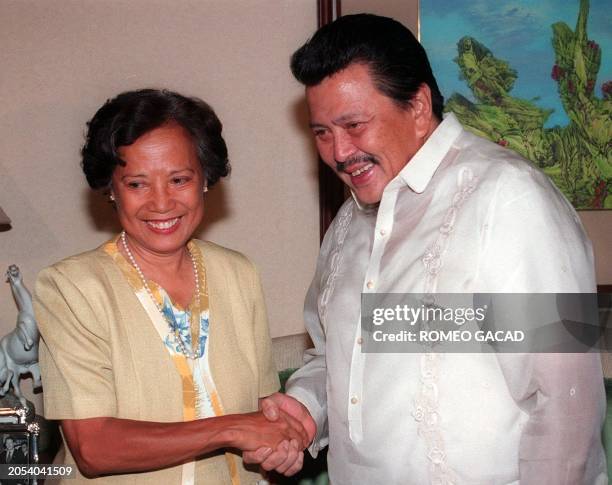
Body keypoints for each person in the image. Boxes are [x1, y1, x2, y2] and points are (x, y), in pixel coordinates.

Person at [246, 14, 607, 484]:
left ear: (417, 106)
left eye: (354, 125)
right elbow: (343, 358)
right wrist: (304, 408)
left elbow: (566, 403)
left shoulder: (510, 198)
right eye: (321, 133)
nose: (338, 151)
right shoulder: (348, 222)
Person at [34, 89, 308, 484]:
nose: (161, 203)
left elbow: (262, 414)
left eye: (179, 179)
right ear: (111, 189)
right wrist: (230, 428)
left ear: (205, 181)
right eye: (137, 184)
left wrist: (280, 449)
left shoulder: (238, 273)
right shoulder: (71, 288)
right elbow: (93, 448)